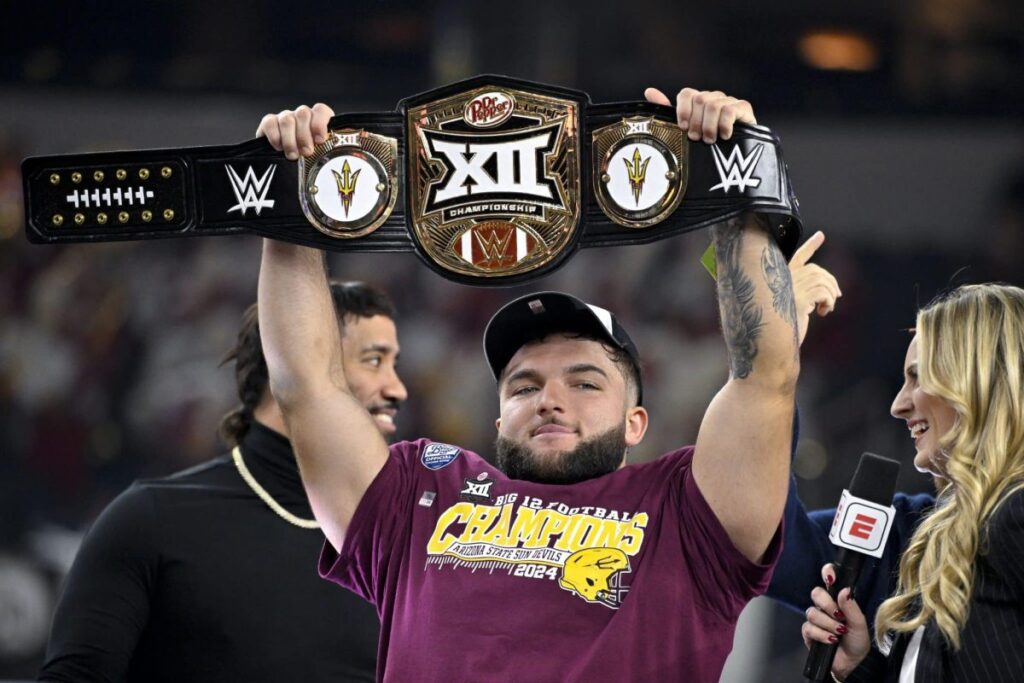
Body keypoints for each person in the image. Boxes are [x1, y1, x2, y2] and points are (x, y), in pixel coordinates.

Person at [256, 87, 839, 682]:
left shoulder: (687, 512)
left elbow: (764, 376)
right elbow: (306, 386)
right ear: (497, 419)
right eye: (523, 386)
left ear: (636, 421)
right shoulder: (419, 492)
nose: (549, 399)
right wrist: (288, 207)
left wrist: (733, 171)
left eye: (585, 383)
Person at [38, 281, 407, 683]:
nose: (396, 389)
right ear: (299, 363)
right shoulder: (152, 522)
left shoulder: (407, 542)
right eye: (373, 361)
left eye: (394, 364)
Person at [801, 283, 1024, 682]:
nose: (898, 404)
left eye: (918, 378)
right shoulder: (955, 530)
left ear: (978, 383)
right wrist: (859, 668)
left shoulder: (1014, 515)